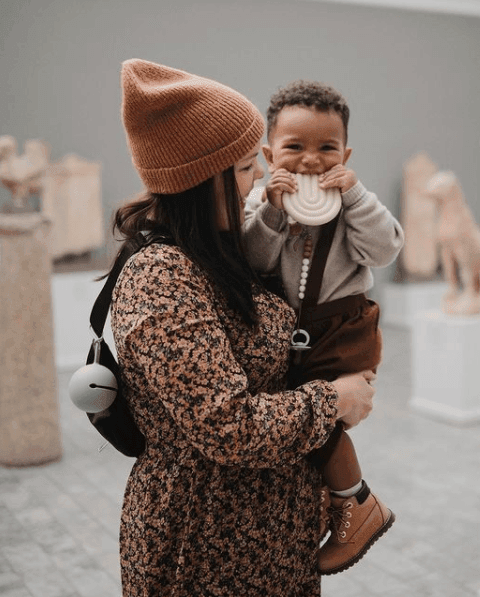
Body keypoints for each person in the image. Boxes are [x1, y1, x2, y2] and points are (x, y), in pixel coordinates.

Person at [110, 59, 376, 597]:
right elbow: (227, 425)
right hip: (205, 553)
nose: (257, 179)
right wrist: (335, 399)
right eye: (241, 170)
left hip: (274, 551)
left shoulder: (222, 250)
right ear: (197, 181)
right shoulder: (159, 276)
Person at [243, 80, 404, 575]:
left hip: (341, 329)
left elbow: (385, 249)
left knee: (324, 417)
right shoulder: (259, 199)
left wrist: (353, 195)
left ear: (345, 153)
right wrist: (271, 209)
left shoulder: (357, 202)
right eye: (294, 147)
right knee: (301, 417)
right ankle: (333, 503)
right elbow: (251, 258)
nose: (310, 160)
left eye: (326, 148)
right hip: (287, 332)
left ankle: (357, 504)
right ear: (270, 153)